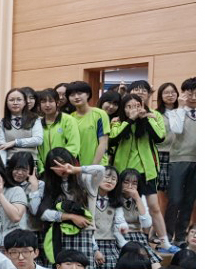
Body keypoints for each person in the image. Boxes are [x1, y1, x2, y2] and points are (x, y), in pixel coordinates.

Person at [109, 92, 172, 251]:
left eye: (137, 106)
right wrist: (130, 120)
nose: (134, 109)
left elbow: (159, 137)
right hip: (123, 172)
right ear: (124, 109)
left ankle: (164, 241)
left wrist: (144, 118)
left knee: (154, 207)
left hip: (147, 171)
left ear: (143, 106)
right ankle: (121, 239)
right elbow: (114, 139)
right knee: (121, 206)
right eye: (129, 107)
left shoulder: (152, 117)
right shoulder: (117, 122)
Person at [164, 78, 195, 246]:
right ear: (184, 93)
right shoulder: (175, 112)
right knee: (175, 198)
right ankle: (168, 235)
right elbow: (176, 129)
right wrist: (182, 108)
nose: (193, 96)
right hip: (178, 159)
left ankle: (181, 237)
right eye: (189, 92)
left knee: (190, 200)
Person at [66, 81, 109, 166]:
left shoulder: (100, 114)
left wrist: (93, 166)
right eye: (72, 95)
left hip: (97, 166)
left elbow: (103, 143)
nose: (76, 97)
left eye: (80, 93)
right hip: (76, 167)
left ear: (88, 94)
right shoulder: (69, 118)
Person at [0, 88, 42, 162]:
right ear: (6, 103)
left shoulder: (34, 119)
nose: (15, 103)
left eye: (19, 100)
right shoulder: (2, 122)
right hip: (10, 162)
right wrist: (3, 166)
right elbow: (2, 147)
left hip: (30, 161)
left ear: (25, 102)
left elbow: (38, 140)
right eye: (11, 100)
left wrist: (15, 142)